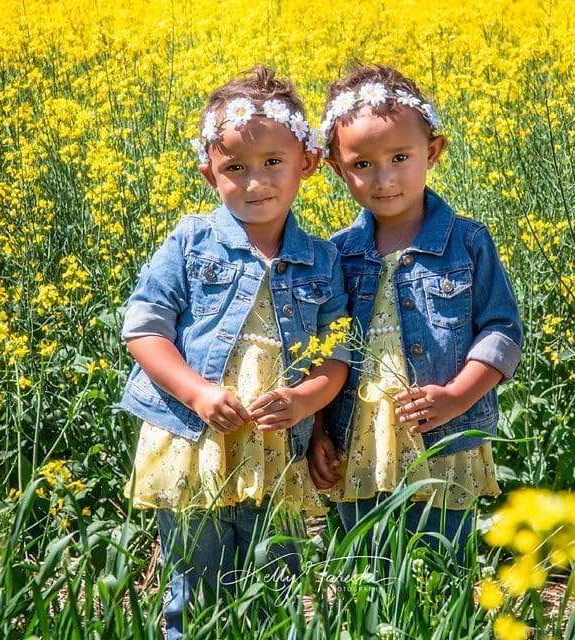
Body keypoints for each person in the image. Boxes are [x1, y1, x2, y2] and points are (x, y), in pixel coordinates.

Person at [119, 65, 349, 638]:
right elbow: (144, 328)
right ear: (208, 173)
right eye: (234, 169)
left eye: (273, 163)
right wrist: (198, 394)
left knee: (278, 584)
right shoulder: (191, 240)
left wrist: (304, 403)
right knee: (194, 589)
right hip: (196, 443)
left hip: (278, 448)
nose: (255, 183)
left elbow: (338, 356)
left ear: (308, 162)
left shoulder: (323, 260)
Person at [307, 64, 523, 564]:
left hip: (442, 438)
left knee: (444, 567)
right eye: (363, 165)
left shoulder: (467, 242)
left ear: (433, 152)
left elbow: (502, 332)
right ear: (338, 169)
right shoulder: (337, 254)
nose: (384, 179)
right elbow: (326, 350)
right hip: (358, 441)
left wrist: (455, 396)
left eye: (400, 158)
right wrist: (319, 432)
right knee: (372, 571)